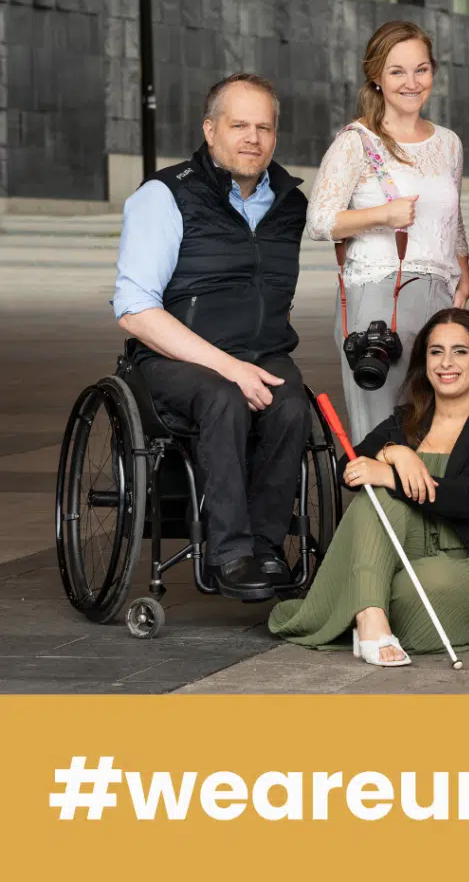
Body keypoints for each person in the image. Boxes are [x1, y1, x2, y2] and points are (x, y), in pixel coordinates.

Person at [112, 74, 310, 601]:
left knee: (292, 407)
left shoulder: (290, 203)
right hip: (171, 357)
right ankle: (230, 553)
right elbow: (134, 311)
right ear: (210, 129)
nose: (252, 138)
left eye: (264, 127)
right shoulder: (165, 194)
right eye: (238, 124)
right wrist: (227, 366)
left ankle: (266, 548)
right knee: (224, 398)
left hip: (264, 351)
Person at [269, 309, 469, 665]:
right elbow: (351, 466)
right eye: (435, 352)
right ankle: (372, 617)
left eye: (460, 351)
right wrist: (396, 452)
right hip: (403, 551)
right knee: (374, 496)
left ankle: (363, 603)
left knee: (414, 592)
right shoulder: (406, 420)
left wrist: (390, 473)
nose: (446, 363)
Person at [306, 21, 469, 444]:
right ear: (376, 77)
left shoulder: (448, 143)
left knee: (438, 432)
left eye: (421, 69)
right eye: (397, 71)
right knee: (385, 432)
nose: (411, 82)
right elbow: (319, 221)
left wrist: (463, 271)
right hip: (379, 298)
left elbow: (452, 219)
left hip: (440, 296)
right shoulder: (356, 142)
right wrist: (382, 215)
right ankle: (380, 510)